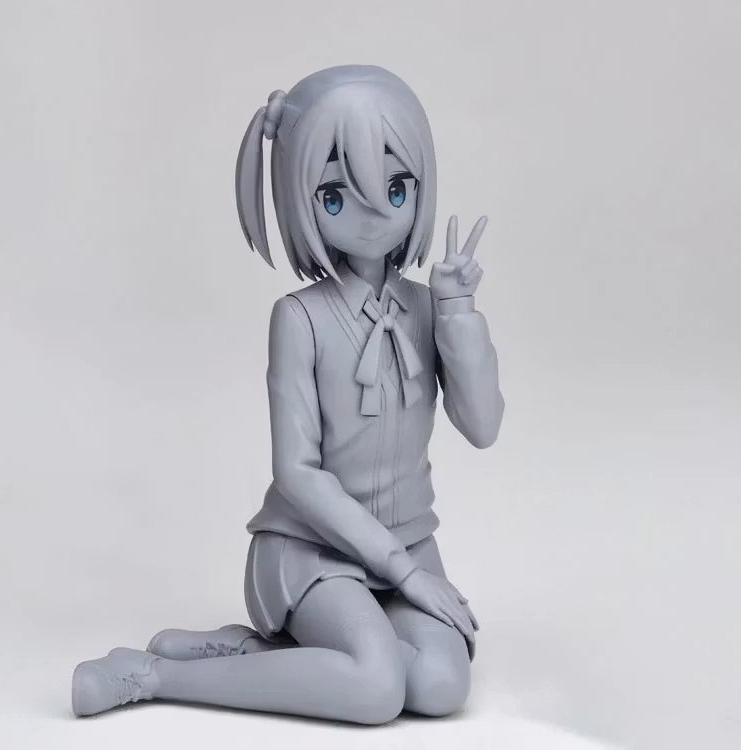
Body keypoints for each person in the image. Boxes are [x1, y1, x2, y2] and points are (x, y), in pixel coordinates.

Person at [71, 64, 505, 725]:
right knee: (377, 689)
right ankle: (154, 675)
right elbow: (298, 473)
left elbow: (483, 426)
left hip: (410, 544)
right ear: (304, 201)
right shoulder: (300, 318)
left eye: (395, 187)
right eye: (335, 195)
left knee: (441, 687)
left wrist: (458, 313)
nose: (373, 214)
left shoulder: (425, 307)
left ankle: (260, 656)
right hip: (310, 550)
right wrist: (403, 572)